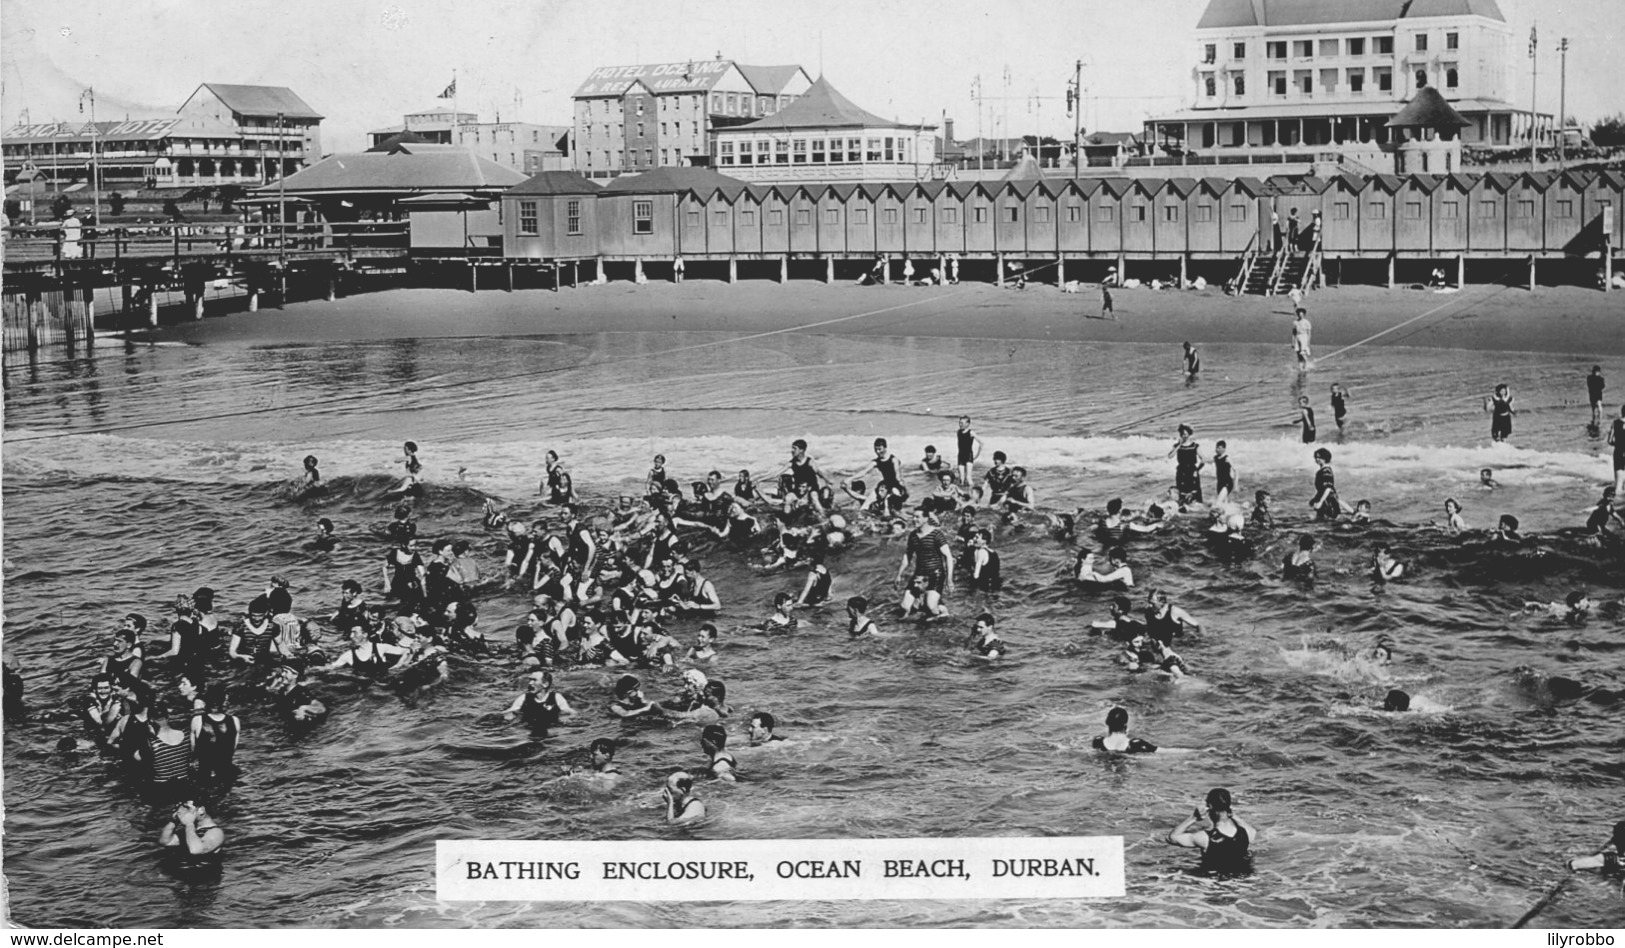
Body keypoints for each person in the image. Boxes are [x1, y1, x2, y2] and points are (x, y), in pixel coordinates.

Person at [1166, 788, 1256, 875]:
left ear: (1210, 807)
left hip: (1215, 886)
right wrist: (1233, 815)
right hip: (1244, 882)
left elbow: (1171, 838)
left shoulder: (1205, 838)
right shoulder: (1245, 833)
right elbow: (1253, 833)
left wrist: (1193, 818)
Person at [898, 510, 954, 620]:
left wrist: (949, 579)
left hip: (936, 574)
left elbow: (948, 557)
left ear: (926, 518)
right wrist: (899, 574)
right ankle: (930, 599)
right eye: (913, 517)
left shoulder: (936, 535)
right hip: (919, 574)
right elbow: (908, 555)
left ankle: (942, 610)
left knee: (931, 607)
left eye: (917, 517)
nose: (914, 519)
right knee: (904, 607)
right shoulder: (913, 535)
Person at [190, 682, 240, 784]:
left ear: (206, 701)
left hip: (205, 774)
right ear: (223, 700)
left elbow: (193, 750)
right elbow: (232, 749)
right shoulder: (235, 721)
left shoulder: (197, 720)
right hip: (227, 773)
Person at [502, 670, 575, 729]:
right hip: (529, 728)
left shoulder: (556, 697)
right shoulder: (524, 698)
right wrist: (508, 715)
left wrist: (567, 718)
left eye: (534, 680)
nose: (530, 683)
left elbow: (571, 712)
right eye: (530, 680)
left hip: (551, 728)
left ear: (545, 684)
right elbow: (510, 710)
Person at [158, 801, 224, 857]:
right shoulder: (189, 830)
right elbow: (166, 842)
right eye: (181, 807)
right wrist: (174, 821)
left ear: (201, 810)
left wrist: (189, 824)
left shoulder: (216, 833)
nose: (183, 811)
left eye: (187, 808)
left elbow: (196, 850)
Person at [1092, 707, 1158, 754]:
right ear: (1125, 725)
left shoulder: (1098, 742)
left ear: (1108, 723)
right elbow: (1163, 752)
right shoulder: (1135, 744)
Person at [1168, 424, 1206, 507]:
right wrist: (1179, 445)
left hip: (1192, 471)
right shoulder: (1177, 446)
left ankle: (1196, 509)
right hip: (1181, 471)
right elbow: (1170, 456)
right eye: (1182, 434)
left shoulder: (1195, 446)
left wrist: (1197, 470)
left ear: (1189, 434)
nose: (1183, 436)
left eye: (1185, 434)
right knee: (1181, 493)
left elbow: (1203, 460)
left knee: (1194, 494)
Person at [1309, 447, 1342, 521]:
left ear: (1325, 458)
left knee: (1328, 523)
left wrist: (1320, 501)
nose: (1317, 459)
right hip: (1325, 501)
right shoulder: (1322, 471)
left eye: (1319, 457)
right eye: (1316, 457)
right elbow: (1321, 490)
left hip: (1329, 502)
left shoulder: (1326, 471)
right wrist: (1315, 499)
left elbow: (1328, 488)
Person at [955, 416, 983, 486]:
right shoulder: (958, 432)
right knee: (961, 478)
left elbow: (981, 443)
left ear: (967, 424)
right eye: (959, 423)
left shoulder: (971, 433)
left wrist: (977, 455)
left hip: (968, 456)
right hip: (960, 456)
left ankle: (973, 492)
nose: (960, 424)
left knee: (968, 477)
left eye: (962, 423)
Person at [1610, 403, 1625, 495]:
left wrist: (1619, 444)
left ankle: (1616, 503)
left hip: (1618, 452)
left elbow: (1610, 440)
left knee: (1618, 484)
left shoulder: (1615, 423)